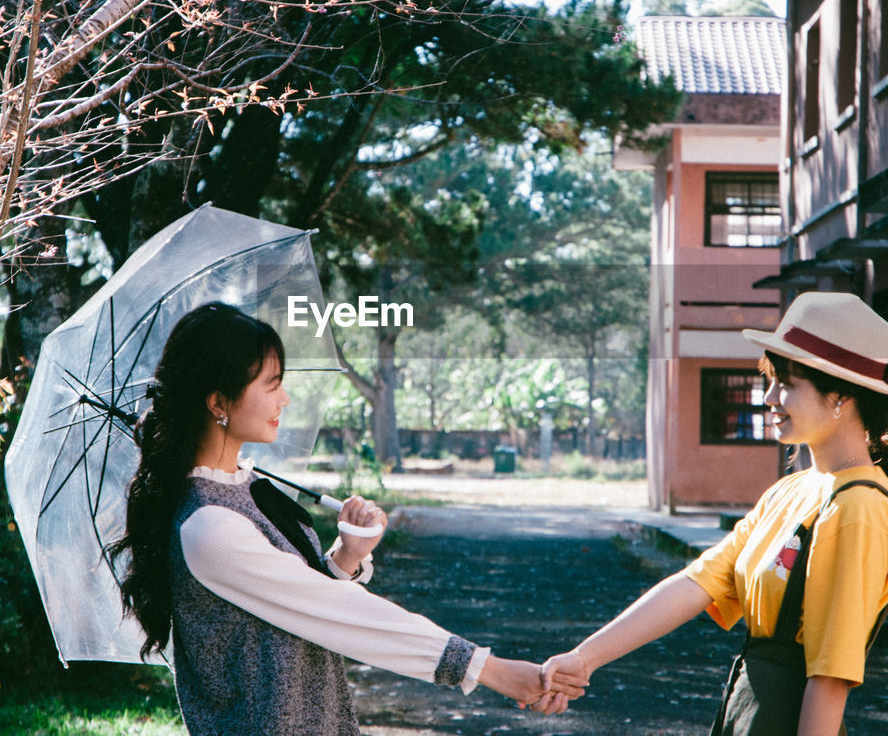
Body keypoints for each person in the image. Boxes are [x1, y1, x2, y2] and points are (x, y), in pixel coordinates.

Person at [107, 302, 582, 735]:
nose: (284, 399)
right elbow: (340, 614)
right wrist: (487, 669)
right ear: (218, 403)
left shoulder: (244, 488)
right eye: (272, 385)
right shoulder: (209, 526)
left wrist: (346, 555)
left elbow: (293, 600)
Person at [535, 291, 888, 734]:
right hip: (745, 711)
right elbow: (696, 583)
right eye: (771, 380)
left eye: (787, 383)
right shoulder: (791, 492)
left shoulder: (858, 508)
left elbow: (830, 677)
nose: (769, 397)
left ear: (840, 396)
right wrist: (582, 659)